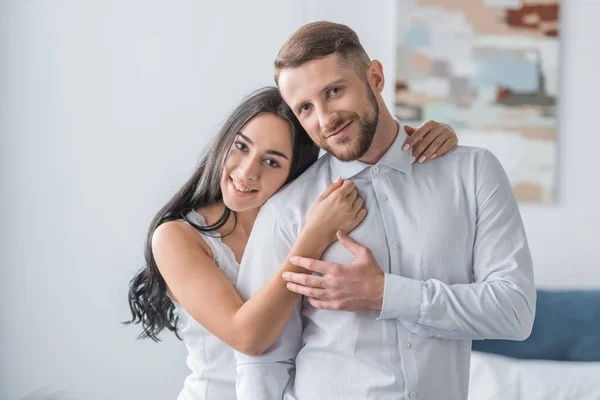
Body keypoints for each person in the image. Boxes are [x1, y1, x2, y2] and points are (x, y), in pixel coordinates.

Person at [234, 22, 536, 400]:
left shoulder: (472, 174)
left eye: (334, 91)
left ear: (374, 76)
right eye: (306, 108)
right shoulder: (286, 210)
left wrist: (386, 294)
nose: (325, 119)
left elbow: (515, 312)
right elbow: (263, 365)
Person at [125, 87, 458, 399]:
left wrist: (429, 142)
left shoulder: (296, 216)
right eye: (241, 146)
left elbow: (371, 161)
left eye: (272, 161)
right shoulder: (177, 237)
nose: (247, 171)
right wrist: (314, 237)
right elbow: (248, 337)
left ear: (294, 172)